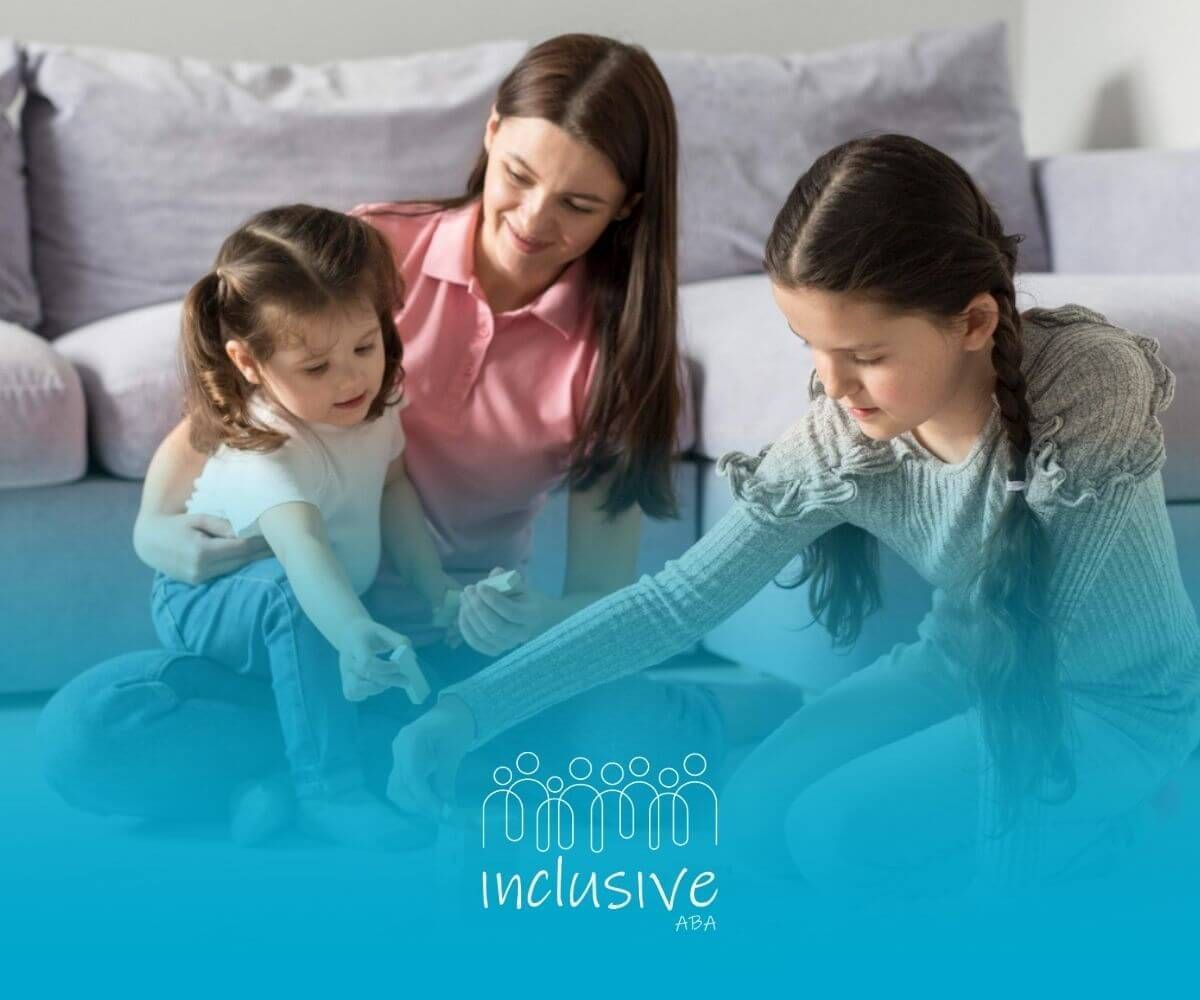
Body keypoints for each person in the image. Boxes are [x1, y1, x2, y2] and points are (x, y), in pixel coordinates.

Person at [388, 134, 1200, 895]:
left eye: (868, 356)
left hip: (1104, 702)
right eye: (811, 347)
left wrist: (1007, 909)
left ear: (974, 323)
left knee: (832, 836)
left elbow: (1033, 660)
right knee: (748, 825)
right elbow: (678, 601)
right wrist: (470, 710)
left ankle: (1125, 828)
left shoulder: (1087, 384)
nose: (834, 387)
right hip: (956, 667)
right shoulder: (844, 435)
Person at [38, 34, 731, 841]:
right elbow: (219, 424)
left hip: (457, 660)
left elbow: (603, 595)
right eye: (519, 175)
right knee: (84, 734)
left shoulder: (619, 355)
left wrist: (531, 618)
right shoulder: (374, 250)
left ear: (627, 207)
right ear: (492, 130)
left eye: (579, 205)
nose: (535, 221)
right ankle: (365, 767)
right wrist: (154, 529)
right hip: (290, 652)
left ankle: (295, 776)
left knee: (650, 735)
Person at [145, 203, 458, 848]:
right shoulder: (267, 446)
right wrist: (350, 631)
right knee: (294, 602)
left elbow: (394, 488)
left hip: (314, 600)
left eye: (365, 347)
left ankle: (265, 781)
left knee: (382, 686)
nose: (351, 378)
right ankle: (329, 792)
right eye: (315, 368)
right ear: (249, 363)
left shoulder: (373, 406)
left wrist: (436, 591)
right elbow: (302, 549)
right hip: (209, 602)